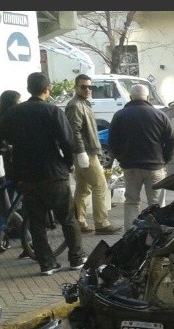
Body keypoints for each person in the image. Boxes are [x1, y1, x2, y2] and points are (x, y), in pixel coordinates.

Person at [0, 72, 86, 275]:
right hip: (53, 173)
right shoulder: (53, 111)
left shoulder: (13, 114)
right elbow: (68, 141)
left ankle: (47, 264)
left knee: (36, 222)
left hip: (26, 176)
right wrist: (67, 163)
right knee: (67, 218)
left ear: (29, 89)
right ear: (47, 89)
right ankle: (76, 258)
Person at [109, 84, 174, 230]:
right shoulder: (160, 115)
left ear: (131, 97)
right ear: (147, 97)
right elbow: (171, 141)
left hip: (130, 166)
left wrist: (121, 159)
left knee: (131, 201)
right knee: (156, 205)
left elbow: (112, 142)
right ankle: (155, 238)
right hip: (155, 166)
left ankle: (130, 235)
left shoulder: (119, 115)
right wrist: (165, 160)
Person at [65, 73, 122, 235]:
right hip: (85, 153)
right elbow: (74, 131)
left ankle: (80, 222)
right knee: (100, 185)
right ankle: (101, 223)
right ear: (76, 87)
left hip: (86, 152)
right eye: (84, 86)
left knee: (83, 188)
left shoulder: (83, 104)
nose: (88, 89)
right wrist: (81, 151)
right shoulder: (76, 105)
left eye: (90, 87)